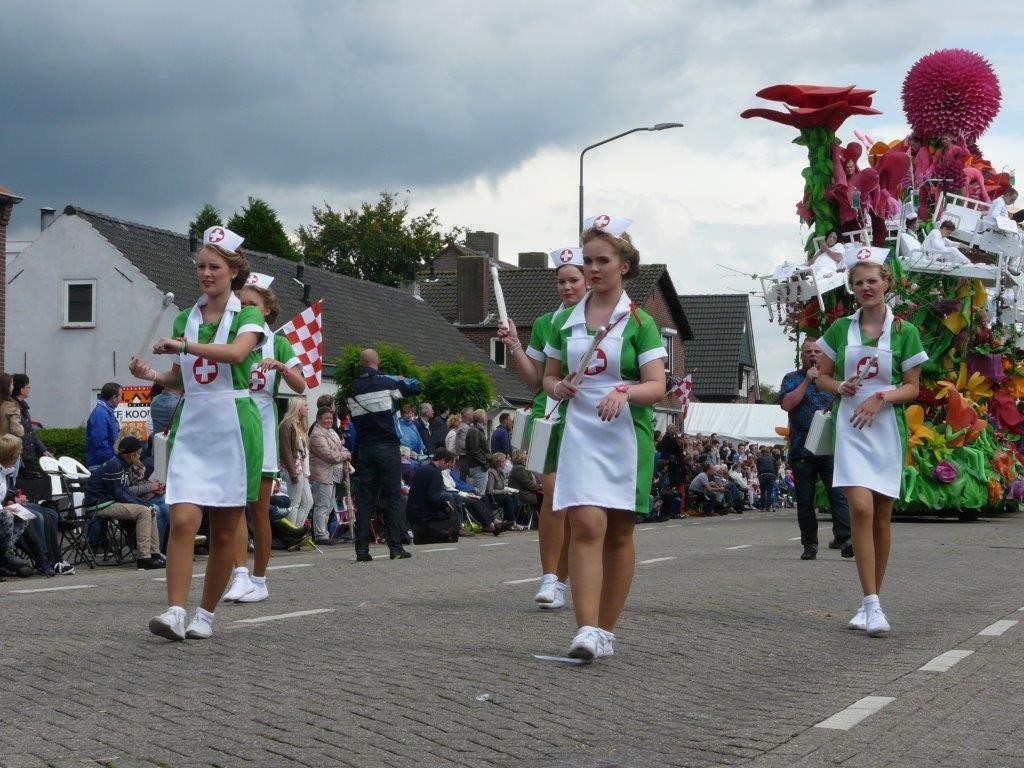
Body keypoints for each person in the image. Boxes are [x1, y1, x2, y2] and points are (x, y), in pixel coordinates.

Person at [129, 225, 264, 641]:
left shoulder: (248, 315)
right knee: (184, 519)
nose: (206, 273)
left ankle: (204, 614)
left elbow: (237, 354)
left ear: (233, 271)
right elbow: (183, 378)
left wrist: (183, 347)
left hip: (234, 427)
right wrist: (152, 375)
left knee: (224, 531)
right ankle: (174, 610)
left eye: (214, 267)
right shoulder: (184, 318)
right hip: (193, 424)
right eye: (201, 266)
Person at [543, 214, 667, 660]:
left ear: (624, 266)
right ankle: (585, 629)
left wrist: (625, 392)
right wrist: (557, 387)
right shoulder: (564, 321)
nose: (593, 269)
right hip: (579, 431)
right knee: (587, 524)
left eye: (603, 261)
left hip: (626, 437)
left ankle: (606, 630)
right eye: (588, 261)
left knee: (618, 533)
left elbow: (657, 385)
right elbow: (548, 377)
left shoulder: (640, 322)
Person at [816, 251, 927, 637]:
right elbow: (821, 376)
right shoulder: (839, 330)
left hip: (886, 429)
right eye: (858, 282)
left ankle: (871, 602)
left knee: (881, 516)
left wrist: (881, 397)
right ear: (852, 288)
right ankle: (871, 603)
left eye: (872, 281)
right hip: (851, 427)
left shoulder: (905, 331)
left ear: (886, 284)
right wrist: (839, 386)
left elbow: (912, 387)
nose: (866, 287)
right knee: (860, 510)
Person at [498, 245, 587, 611]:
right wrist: (515, 346)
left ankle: (565, 578)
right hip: (549, 414)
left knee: (578, 505)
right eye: (561, 282)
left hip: (587, 417)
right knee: (553, 493)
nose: (567, 287)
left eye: (573, 280)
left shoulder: (604, 321)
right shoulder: (545, 323)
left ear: (588, 281)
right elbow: (535, 381)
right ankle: (550, 576)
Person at [222, 274, 307, 604]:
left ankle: (260, 579)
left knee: (259, 509)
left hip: (262, 423)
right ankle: (240, 574)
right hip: (232, 421)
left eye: (252, 305)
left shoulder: (277, 343)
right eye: (241, 304)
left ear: (268, 310)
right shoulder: (231, 338)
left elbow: (300, 385)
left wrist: (282, 368)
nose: (245, 309)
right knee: (232, 506)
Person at [780, 337, 853, 560]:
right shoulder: (792, 378)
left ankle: (846, 539)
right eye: (808, 351)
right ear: (802, 355)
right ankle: (810, 543)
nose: (813, 354)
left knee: (838, 496)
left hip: (830, 449)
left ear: (824, 355)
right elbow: (787, 404)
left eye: (817, 351)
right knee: (805, 501)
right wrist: (806, 381)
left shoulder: (832, 379)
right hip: (802, 451)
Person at [345, 348, 421, 561]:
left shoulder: (351, 389)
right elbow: (416, 387)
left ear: (360, 363)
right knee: (393, 496)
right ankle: (395, 548)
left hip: (364, 448)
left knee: (365, 500)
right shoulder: (387, 382)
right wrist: (399, 378)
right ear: (377, 361)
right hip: (387, 446)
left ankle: (362, 551)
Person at [84, 436, 166, 569]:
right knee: (144, 511)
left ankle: (155, 553)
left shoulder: (124, 465)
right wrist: (142, 504)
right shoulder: (114, 465)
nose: (140, 456)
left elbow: (124, 492)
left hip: (110, 501)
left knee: (150, 509)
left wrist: (144, 503)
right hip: (100, 504)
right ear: (132, 455)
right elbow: (119, 494)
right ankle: (144, 558)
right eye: (139, 453)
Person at [308, 406, 347, 545]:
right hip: (322, 474)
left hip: (332, 474)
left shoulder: (330, 432)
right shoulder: (317, 434)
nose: (329, 420)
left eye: (331, 418)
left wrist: (343, 452)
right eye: (326, 418)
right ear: (318, 419)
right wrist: (345, 455)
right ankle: (320, 535)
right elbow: (329, 455)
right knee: (322, 505)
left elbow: (339, 448)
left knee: (329, 506)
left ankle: (324, 533)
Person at [406, 448, 461, 544]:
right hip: (425, 516)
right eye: (447, 465)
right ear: (443, 461)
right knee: (453, 522)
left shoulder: (420, 470)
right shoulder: (436, 474)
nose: (446, 468)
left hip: (412, 514)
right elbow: (433, 499)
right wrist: (444, 505)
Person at [279, 397, 313, 529]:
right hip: (293, 468)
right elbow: (286, 450)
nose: (308, 408)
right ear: (297, 407)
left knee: (308, 501)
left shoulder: (299, 425)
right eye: (305, 405)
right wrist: (293, 473)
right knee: (294, 503)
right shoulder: (287, 424)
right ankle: (292, 532)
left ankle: (297, 530)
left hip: (301, 468)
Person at [86, 382, 121, 467]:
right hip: (101, 465)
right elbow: (100, 444)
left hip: (105, 463)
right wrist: (116, 461)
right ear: (114, 398)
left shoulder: (106, 412)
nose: (121, 399)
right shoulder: (100, 414)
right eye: (121, 396)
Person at [484, 452, 518, 525]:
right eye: (504, 461)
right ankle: (512, 522)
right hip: (492, 497)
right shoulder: (491, 472)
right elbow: (490, 491)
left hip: (500, 494)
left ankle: (508, 521)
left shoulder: (500, 472)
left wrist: (507, 490)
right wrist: (504, 491)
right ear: (498, 462)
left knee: (514, 496)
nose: (505, 464)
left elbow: (503, 485)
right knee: (508, 499)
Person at [464, 409, 490, 494]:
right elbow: (475, 450)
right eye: (485, 416)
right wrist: (485, 462)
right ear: (481, 417)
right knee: (479, 494)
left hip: (478, 465)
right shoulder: (474, 430)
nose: (487, 418)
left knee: (478, 493)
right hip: (478, 466)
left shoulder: (477, 429)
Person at [755, 446, 778, 511]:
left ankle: (762, 507)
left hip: (762, 475)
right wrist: (775, 476)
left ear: (762, 452)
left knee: (762, 491)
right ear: (769, 452)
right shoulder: (772, 458)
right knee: (769, 492)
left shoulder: (759, 459)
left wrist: (759, 475)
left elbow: (758, 468)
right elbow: (776, 468)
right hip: (771, 475)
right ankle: (768, 507)